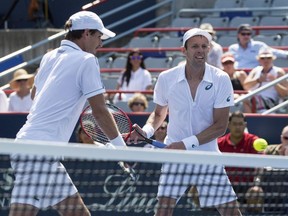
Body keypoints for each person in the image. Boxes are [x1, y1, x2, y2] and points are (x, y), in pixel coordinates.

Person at [9, 11, 127, 216]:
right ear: (87, 33)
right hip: (40, 153)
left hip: (39, 149)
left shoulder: (48, 56)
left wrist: (67, 101)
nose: (101, 43)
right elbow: (99, 111)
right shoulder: (87, 60)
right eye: (99, 37)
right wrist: (122, 149)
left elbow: (36, 94)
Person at [129, 28, 242, 216]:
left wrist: (184, 144)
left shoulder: (221, 79)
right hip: (176, 158)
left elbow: (221, 126)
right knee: (163, 210)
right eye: (195, 46)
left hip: (207, 157)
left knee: (231, 212)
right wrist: (147, 131)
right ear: (184, 50)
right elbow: (159, 114)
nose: (200, 50)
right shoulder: (166, 78)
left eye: (204, 46)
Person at [217, 111, 263, 213]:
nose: (238, 127)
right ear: (228, 125)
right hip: (225, 186)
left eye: (240, 124)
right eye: (234, 124)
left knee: (256, 192)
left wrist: (256, 183)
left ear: (245, 125)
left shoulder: (253, 141)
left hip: (247, 186)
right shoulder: (219, 143)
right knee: (196, 189)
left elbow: (261, 163)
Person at [242, 48, 288, 113]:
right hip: (254, 99)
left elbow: (285, 93)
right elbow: (245, 86)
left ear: (273, 59)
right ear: (258, 60)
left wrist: (274, 82)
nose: (266, 60)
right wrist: (257, 80)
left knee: (247, 99)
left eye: (268, 58)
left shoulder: (278, 72)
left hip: (270, 102)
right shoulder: (256, 70)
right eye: (262, 58)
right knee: (243, 99)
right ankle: (249, 121)